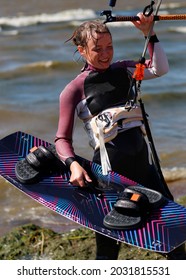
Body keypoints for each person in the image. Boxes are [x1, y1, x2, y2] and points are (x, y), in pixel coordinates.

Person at [55, 13, 185, 259]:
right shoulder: (74, 89)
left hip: (145, 168)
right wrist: (72, 165)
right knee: (108, 247)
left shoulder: (125, 70)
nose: (105, 54)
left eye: (109, 47)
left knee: (173, 235)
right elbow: (61, 139)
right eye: (97, 49)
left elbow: (159, 69)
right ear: (82, 50)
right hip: (109, 176)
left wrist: (150, 33)